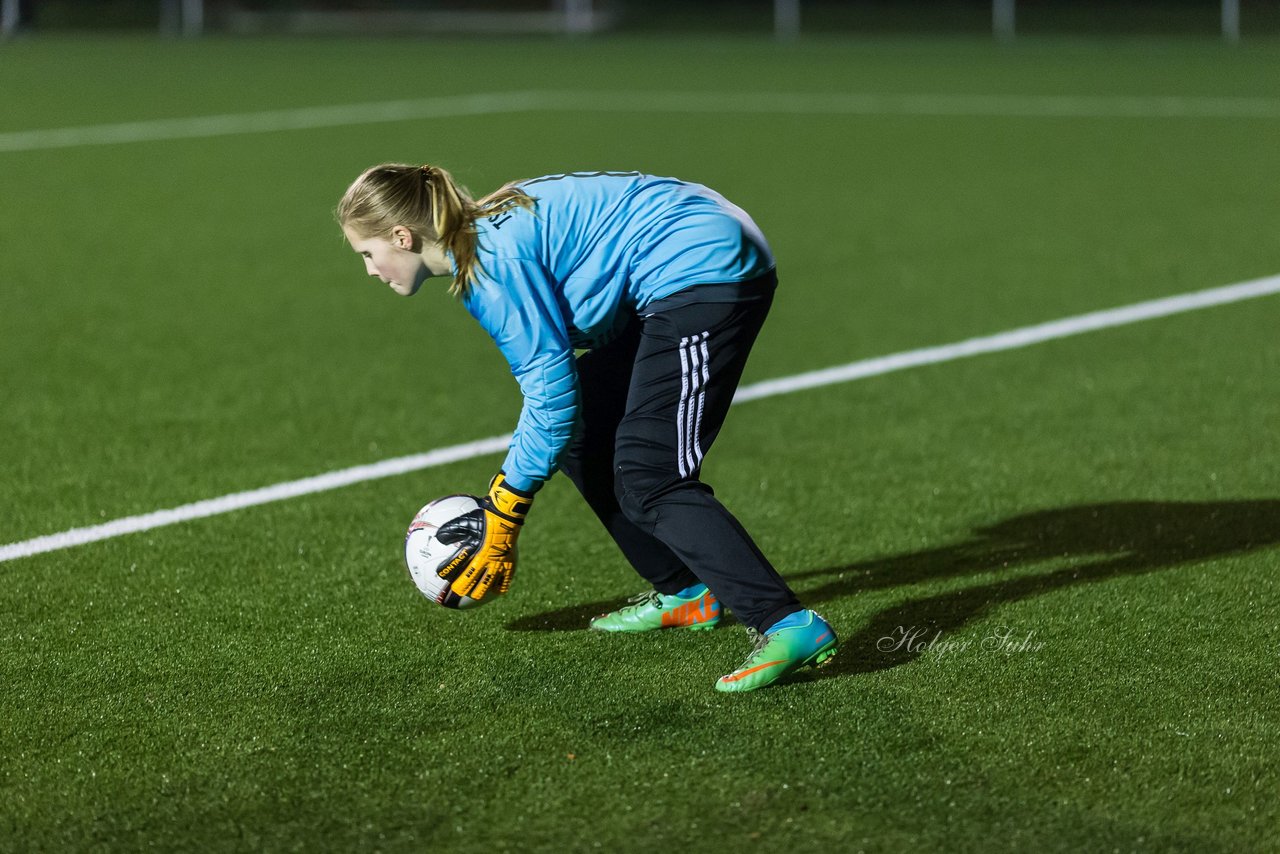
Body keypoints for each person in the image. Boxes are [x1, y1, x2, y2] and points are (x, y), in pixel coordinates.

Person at [336, 165, 837, 692]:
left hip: (706, 269)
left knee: (652, 476)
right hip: (685, 257)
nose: (370, 269)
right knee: (583, 437)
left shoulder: (489, 267)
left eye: (367, 253)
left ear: (402, 236)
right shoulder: (487, 231)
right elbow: (594, 305)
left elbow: (550, 398)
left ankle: (787, 624)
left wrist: (505, 507)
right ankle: (687, 592)